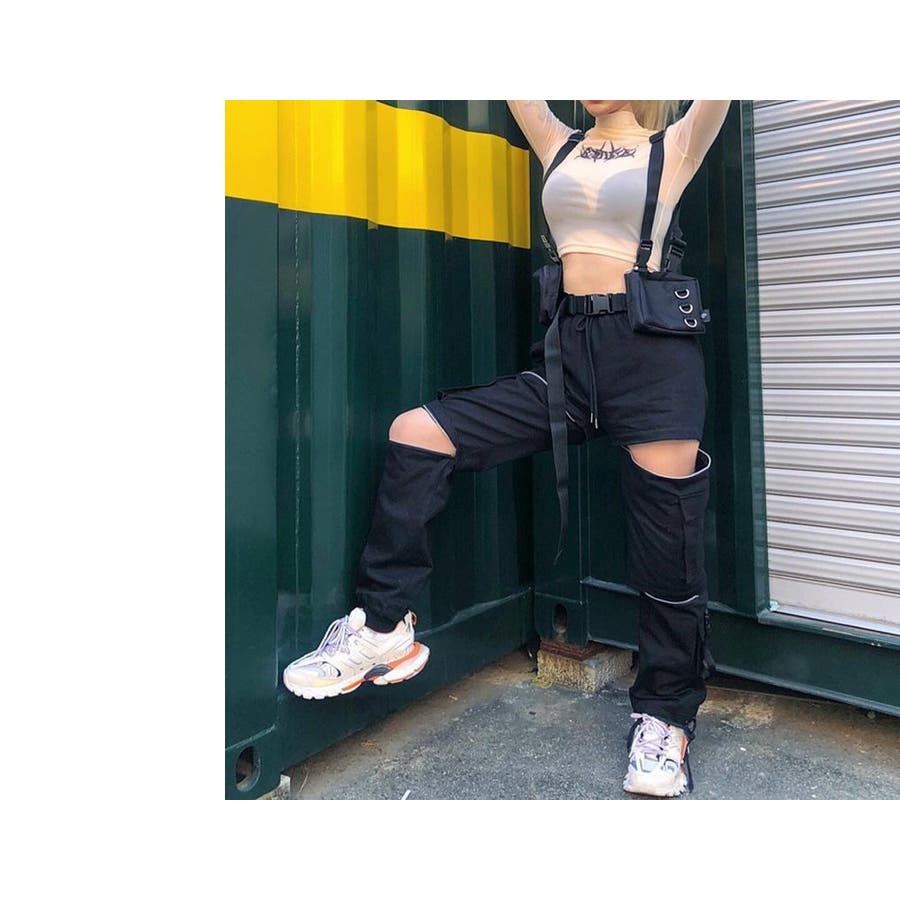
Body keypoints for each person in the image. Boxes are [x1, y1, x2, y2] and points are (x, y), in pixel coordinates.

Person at [282, 99, 732, 799]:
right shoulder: (557, 142)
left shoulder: (673, 146)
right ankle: (382, 627)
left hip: (652, 360)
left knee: (666, 554)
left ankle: (665, 718)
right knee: (418, 432)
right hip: (566, 357)